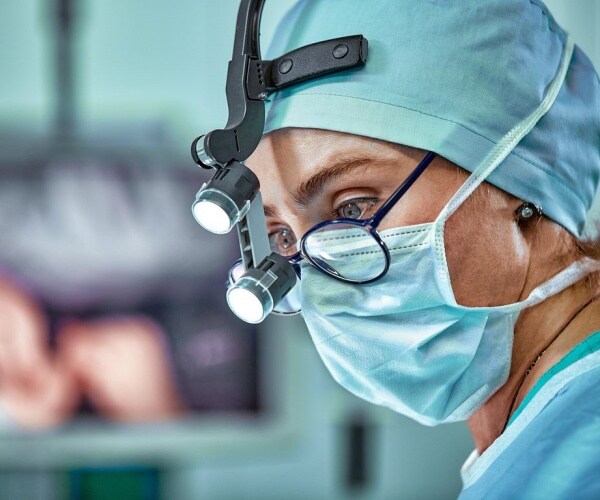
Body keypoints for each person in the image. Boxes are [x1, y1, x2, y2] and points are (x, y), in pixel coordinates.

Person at [241, 0, 600, 497]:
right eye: (280, 235)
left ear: (521, 185)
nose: (316, 272)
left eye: (352, 209)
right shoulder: (530, 442)